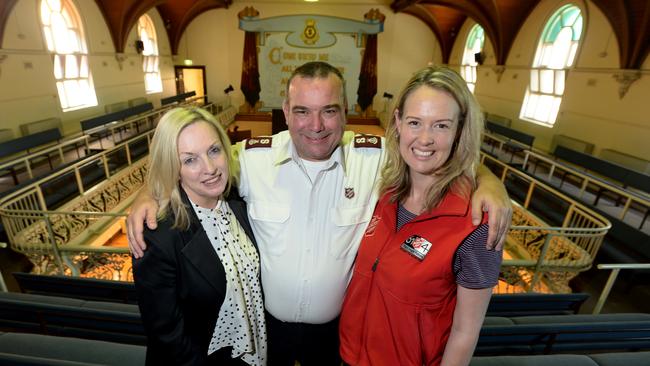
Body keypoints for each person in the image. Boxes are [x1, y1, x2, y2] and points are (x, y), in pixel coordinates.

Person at [128, 62, 511, 366]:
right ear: (285, 112)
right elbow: (194, 168)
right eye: (302, 112)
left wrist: (489, 180)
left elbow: (430, 152)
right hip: (267, 331)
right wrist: (149, 192)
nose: (315, 126)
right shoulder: (252, 158)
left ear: (345, 112)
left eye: (328, 111)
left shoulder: (374, 158)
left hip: (337, 335)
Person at [339, 66, 502, 366]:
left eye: (441, 126)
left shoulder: (476, 224)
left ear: (458, 131)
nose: (425, 139)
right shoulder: (383, 191)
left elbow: (465, 332)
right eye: (415, 122)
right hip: (348, 355)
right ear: (398, 122)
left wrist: (491, 183)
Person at [132, 107, 266, 366]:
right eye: (190, 160)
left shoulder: (239, 200)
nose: (210, 168)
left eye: (214, 151)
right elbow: (168, 337)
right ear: (174, 167)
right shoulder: (158, 237)